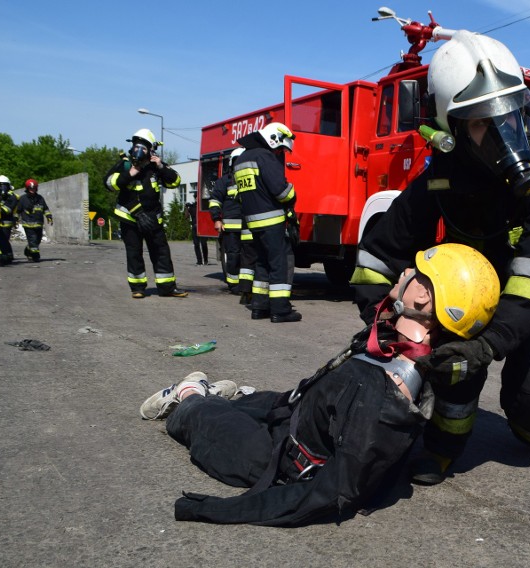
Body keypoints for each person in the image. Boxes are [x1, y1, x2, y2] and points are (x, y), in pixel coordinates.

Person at [350, 31, 530, 486]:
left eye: (511, 115)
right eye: (483, 122)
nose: (503, 133)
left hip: (529, 303)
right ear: (453, 128)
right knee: (453, 379)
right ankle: (444, 444)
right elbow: (382, 251)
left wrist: (489, 345)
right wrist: (381, 314)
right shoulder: (441, 178)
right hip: (468, 297)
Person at [139, 243, 500, 526]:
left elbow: (334, 491)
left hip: (277, 459)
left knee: (199, 419)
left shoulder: (384, 391)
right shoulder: (393, 338)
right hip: (298, 411)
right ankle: (233, 400)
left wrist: (215, 510)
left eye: (418, 271)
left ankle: (190, 392)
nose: (406, 270)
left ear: (423, 298)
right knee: (254, 403)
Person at [104, 129, 188, 299]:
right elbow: (109, 183)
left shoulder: (155, 167)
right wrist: (130, 174)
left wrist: (161, 166)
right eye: (137, 146)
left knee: (161, 252)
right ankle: (138, 288)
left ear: (151, 150)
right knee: (134, 253)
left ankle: (167, 288)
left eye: (144, 147)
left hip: (153, 219)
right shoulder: (125, 165)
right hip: (130, 218)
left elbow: (175, 181)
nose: (139, 151)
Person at [233, 122, 300, 322]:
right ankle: (280, 310)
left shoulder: (242, 158)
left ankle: (259, 307)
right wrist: (292, 193)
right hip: (272, 220)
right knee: (278, 264)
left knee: (261, 263)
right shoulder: (265, 156)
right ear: (273, 139)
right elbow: (281, 191)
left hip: (253, 222)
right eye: (280, 148)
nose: (280, 152)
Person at [208, 148, 245, 292]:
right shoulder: (224, 181)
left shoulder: (250, 180)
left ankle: (247, 284)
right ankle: (234, 284)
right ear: (232, 163)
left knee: (249, 256)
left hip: (249, 226)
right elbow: (215, 201)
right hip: (231, 228)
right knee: (233, 255)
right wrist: (217, 219)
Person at [16, 179, 53, 262]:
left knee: (37, 240)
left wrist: (49, 216)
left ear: (36, 188)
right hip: (28, 224)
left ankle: (28, 251)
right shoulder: (22, 199)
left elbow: (45, 209)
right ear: (27, 188)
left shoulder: (40, 198)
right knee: (32, 239)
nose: (32, 190)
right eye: (30, 188)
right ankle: (35, 255)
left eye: (34, 188)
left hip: (38, 224)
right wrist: (16, 219)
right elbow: (17, 211)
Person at [184, 196, 209, 265]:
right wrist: (186, 208)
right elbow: (186, 216)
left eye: (198, 197)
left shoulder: (204, 206)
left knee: (204, 244)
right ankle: (199, 261)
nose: (197, 199)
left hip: (203, 227)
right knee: (196, 244)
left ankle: (206, 260)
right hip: (195, 227)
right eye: (196, 198)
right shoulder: (192, 206)